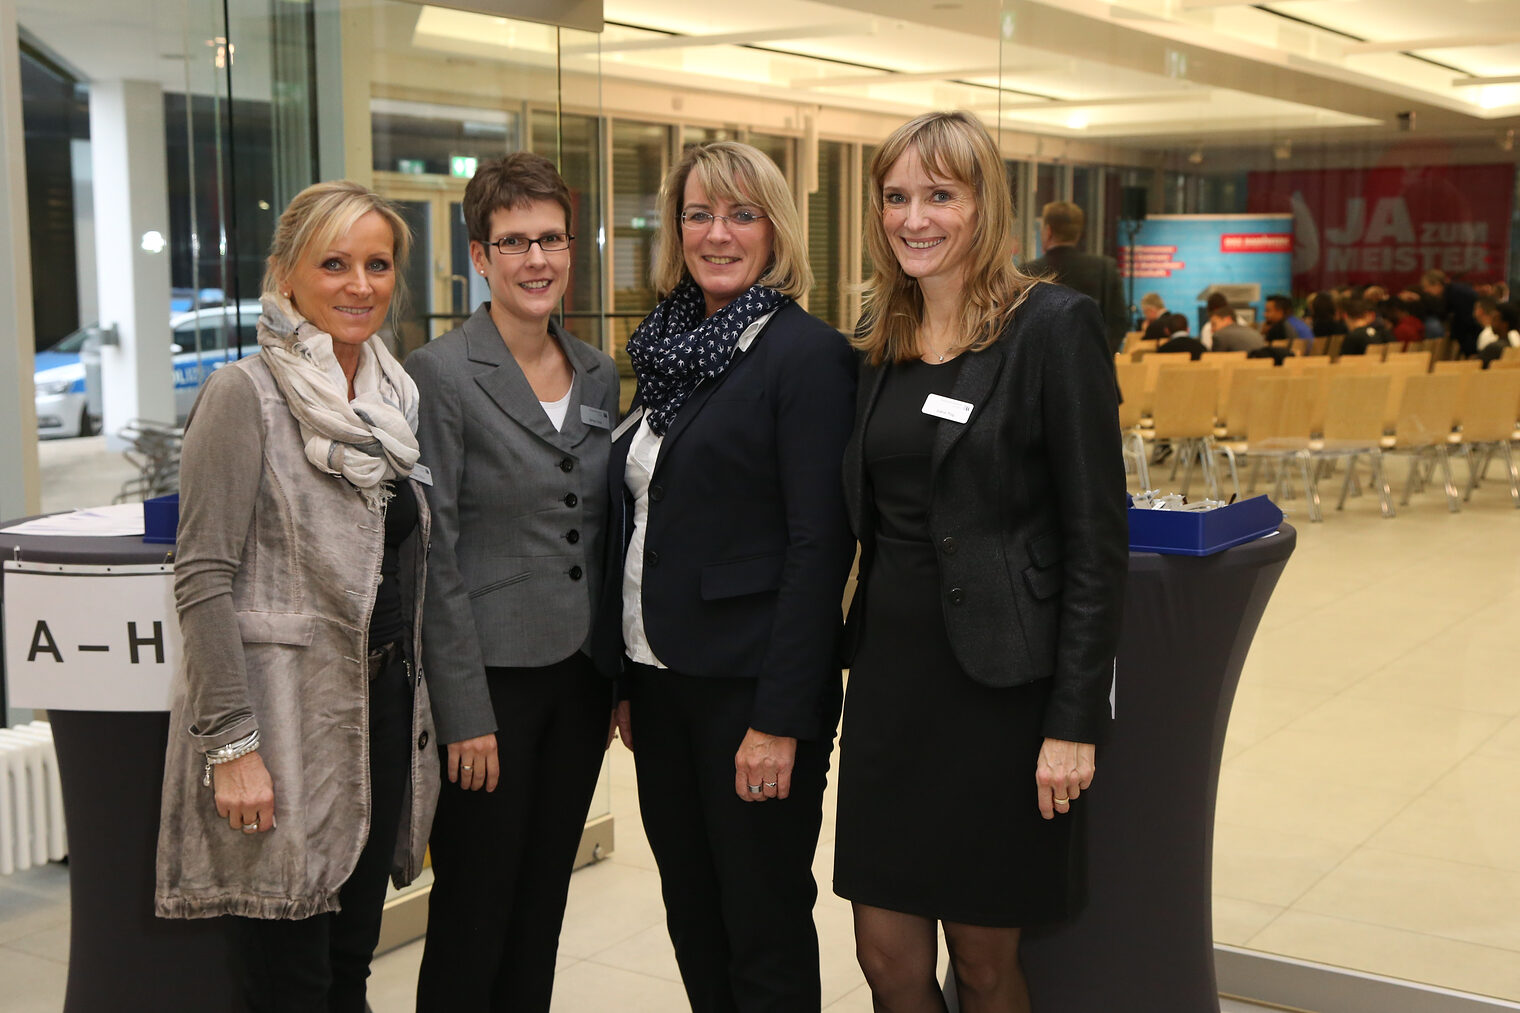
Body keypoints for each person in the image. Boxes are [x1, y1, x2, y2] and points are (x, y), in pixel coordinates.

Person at [834, 110, 1127, 1011]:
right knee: (884, 956)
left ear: (982, 205)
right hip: (890, 683)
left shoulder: (1052, 329)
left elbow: (1095, 539)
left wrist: (1073, 720)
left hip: (1002, 695)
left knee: (984, 958)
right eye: (896, 197)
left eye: (939, 195)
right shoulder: (877, 336)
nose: (913, 217)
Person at [155, 181, 439, 1012]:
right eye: (335, 263)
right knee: (289, 974)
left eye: (377, 264)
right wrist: (232, 746)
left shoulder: (393, 402)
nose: (360, 284)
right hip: (283, 721)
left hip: (378, 709)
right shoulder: (244, 396)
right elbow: (202, 574)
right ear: (286, 277)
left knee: (351, 956)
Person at [608, 140, 856, 1011]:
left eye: (741, 214)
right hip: (660, 677)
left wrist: (781, 719)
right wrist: (627, 676)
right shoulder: (668, 348)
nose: (718, 234)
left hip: (751, 691)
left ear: (776, 230)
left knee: (762, 917)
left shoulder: (806, 355)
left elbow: (816, 548)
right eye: (699, 214)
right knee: (692, 908)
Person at [402, 153, 619, 1011]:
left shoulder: (599, 371)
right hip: (488, 687)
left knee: (543, 905)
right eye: (515, 242)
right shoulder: (441, 374)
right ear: (480, 257)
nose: (537, 260)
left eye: (552, 239)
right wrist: (464, 714)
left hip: (578, 683)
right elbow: (435, 554)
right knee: (473, 909)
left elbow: (604, 532)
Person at [1022, 200, 1129, 354]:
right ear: (1077, 234)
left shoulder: (1027, 272)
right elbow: (1118, 322)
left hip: (1042, 370)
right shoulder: (1105, 268)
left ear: (1048, 231)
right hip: (1093, 368)